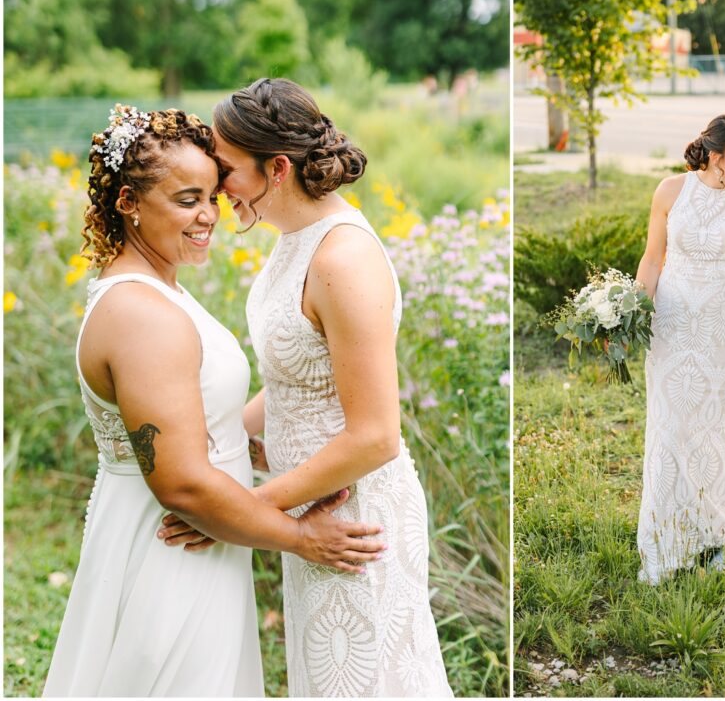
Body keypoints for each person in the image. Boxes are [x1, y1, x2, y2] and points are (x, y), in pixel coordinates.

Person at [44, 106, 387, 697]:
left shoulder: (157, 292)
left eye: (212, 196)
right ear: (128, 203)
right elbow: (182, 486)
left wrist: (268, 450)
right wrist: (301, 537)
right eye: (186, 200)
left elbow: (210, 416)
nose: (208, 217)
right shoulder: (140, 314)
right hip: (170, 545)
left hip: (203, 539)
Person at [162, 78, 452, 696]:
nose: (217, 190)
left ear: (279, 168)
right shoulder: (294, 242)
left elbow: (376, 436)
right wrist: (219, 446)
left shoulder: (342, 259)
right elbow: (300, 377)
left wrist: (240, 510)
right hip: (311, 505)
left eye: (226, 171)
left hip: (351, 519)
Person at [634, 113, 725, 585]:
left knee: (722, 424)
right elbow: (653, 258)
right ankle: (669, 535)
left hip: (724, 328)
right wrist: (629, 317)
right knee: (673, 423)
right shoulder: (669, 191)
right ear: (715, 157)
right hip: (672, 328)